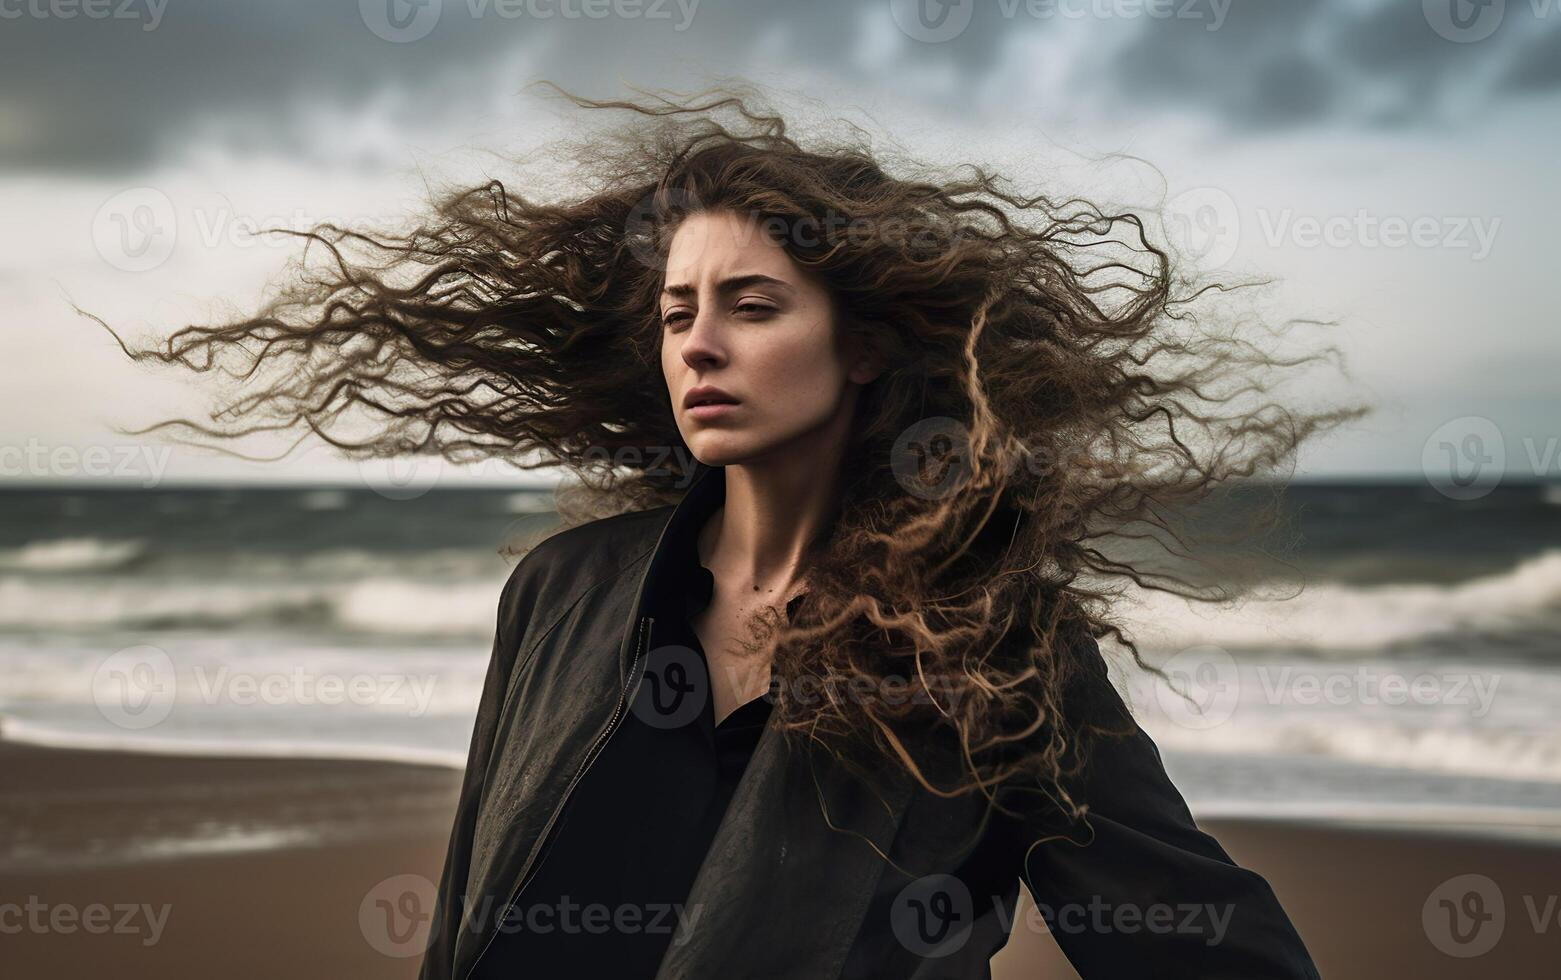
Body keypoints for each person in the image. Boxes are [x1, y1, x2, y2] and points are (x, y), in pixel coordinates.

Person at [111, 85, 1346, 978]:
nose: (697, 343)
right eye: (675, 312)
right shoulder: (565, 589)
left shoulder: (985, 637)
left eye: (752, 307)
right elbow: (464, 925)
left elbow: (1205, 944)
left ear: (863, 345)